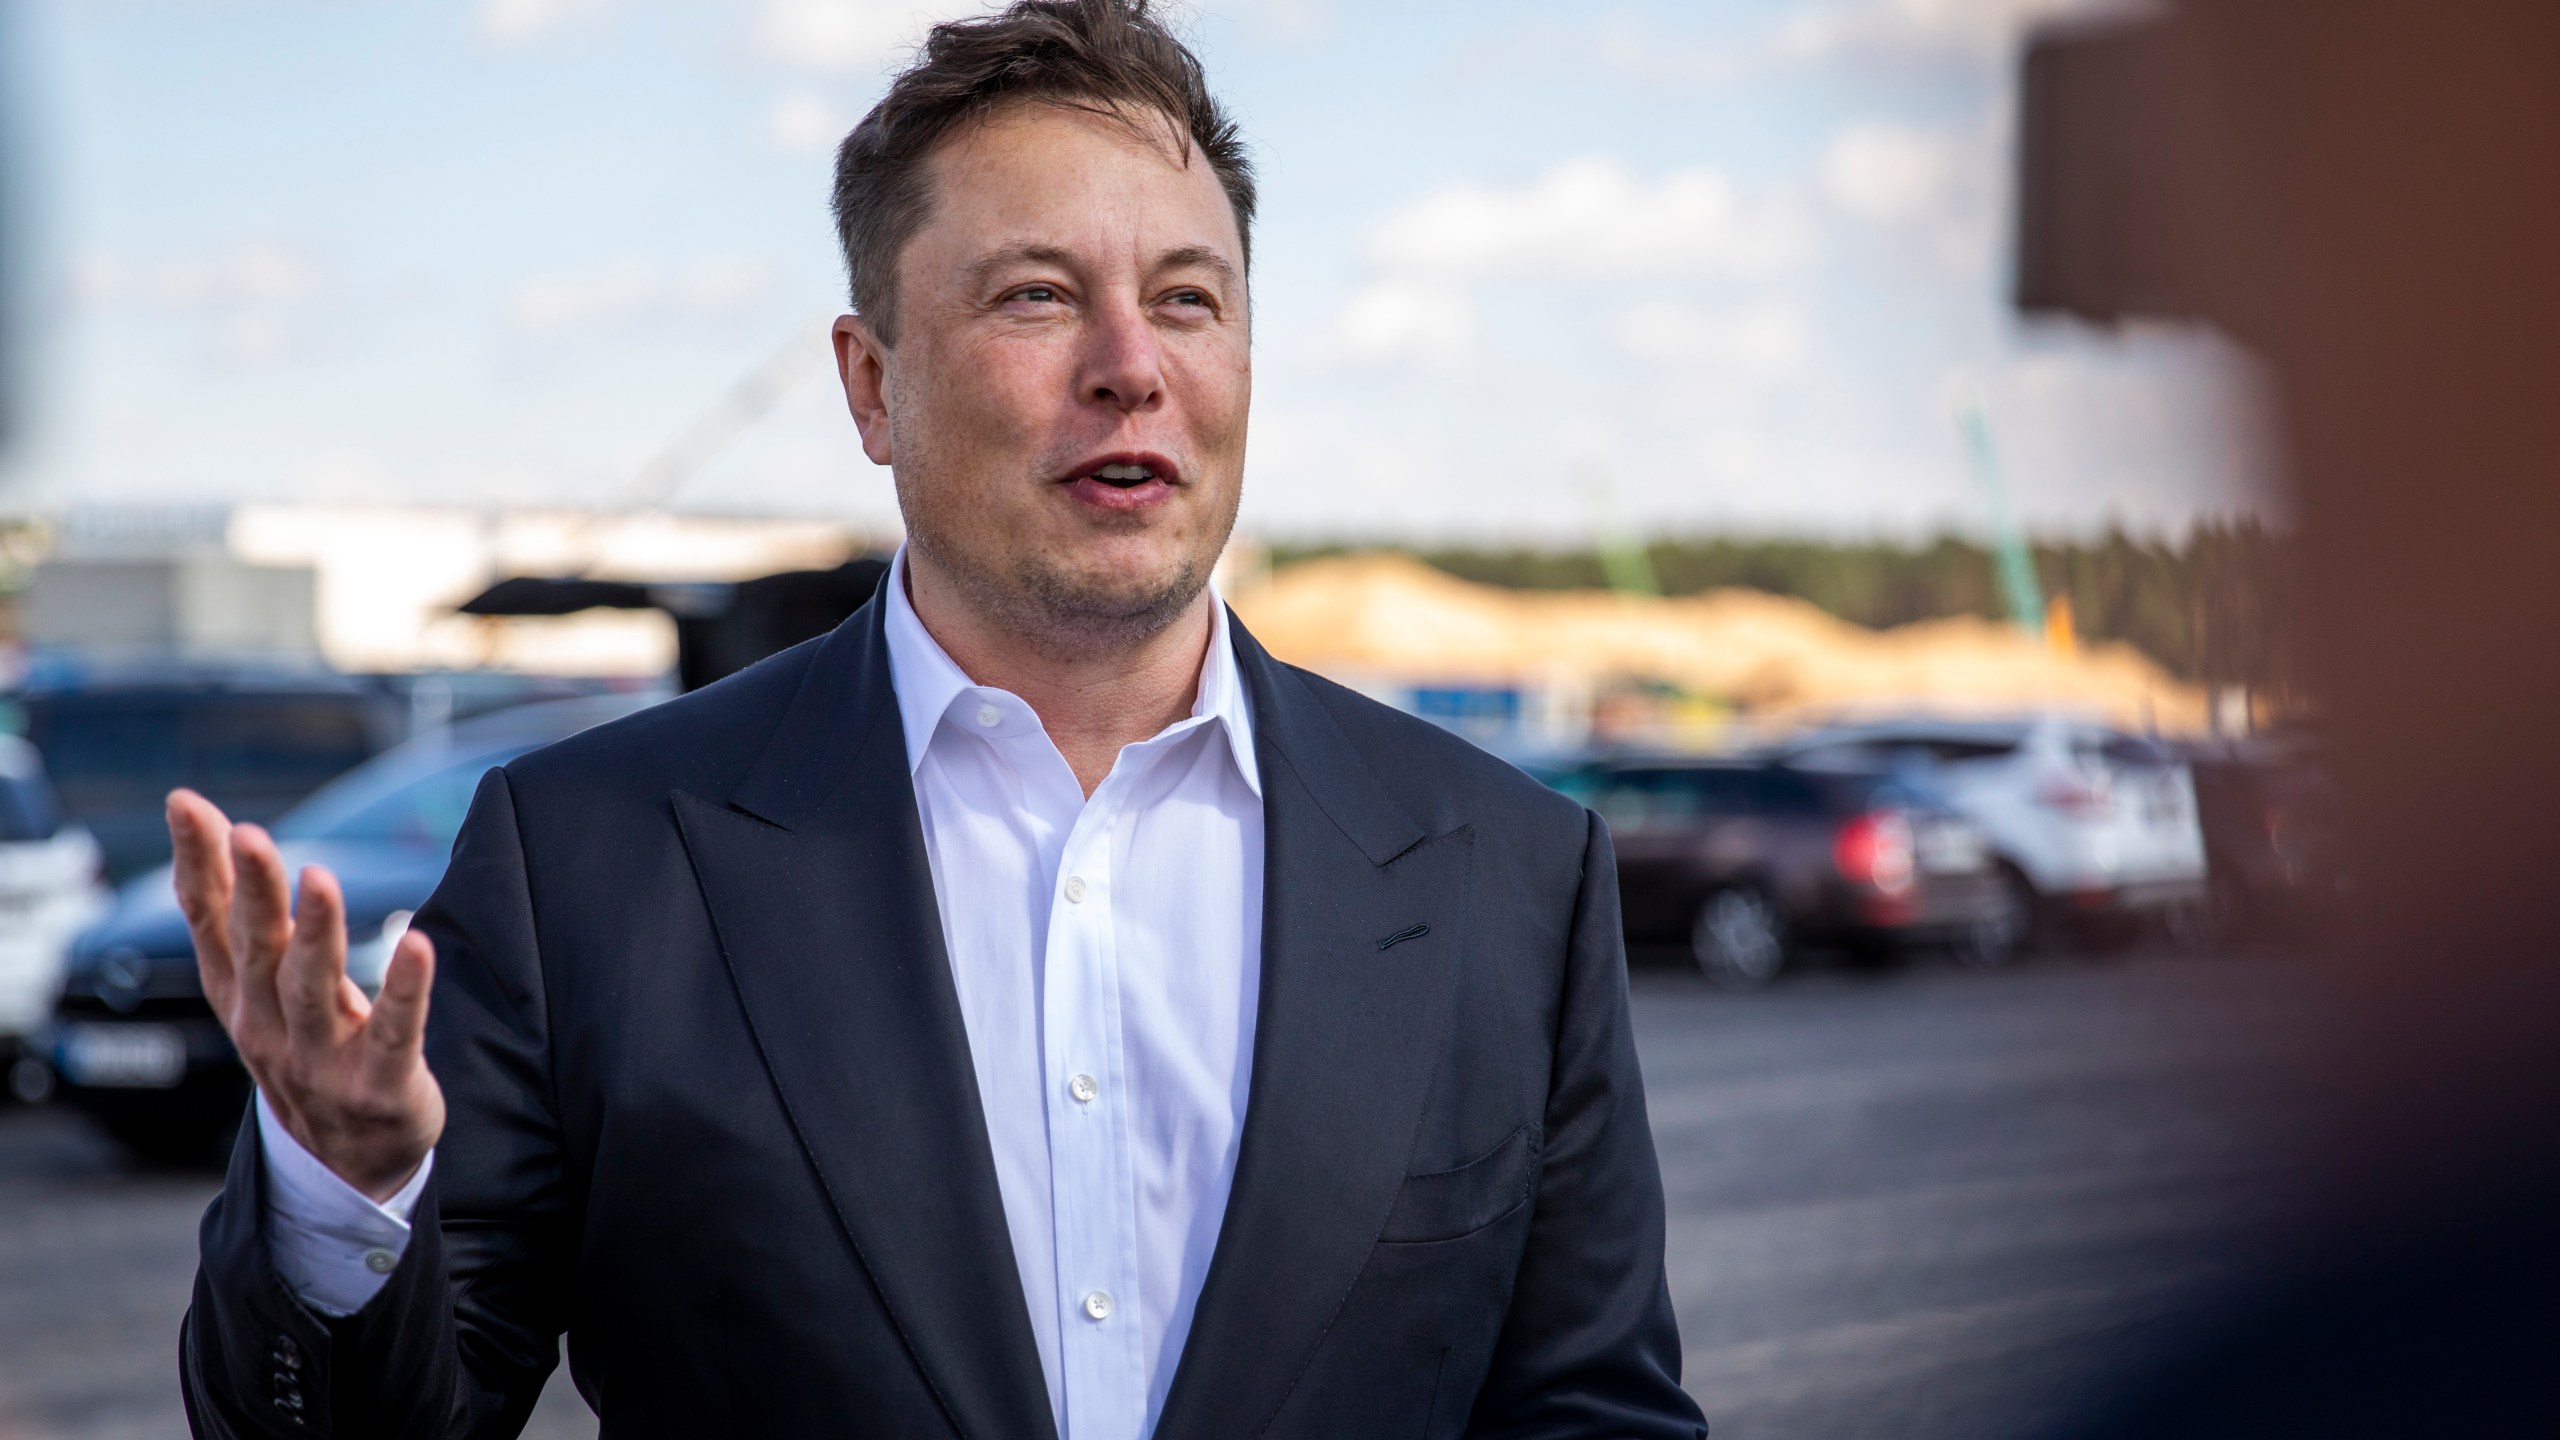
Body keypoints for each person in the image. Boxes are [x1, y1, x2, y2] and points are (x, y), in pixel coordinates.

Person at [171, 3, 1706, 1436]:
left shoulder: (1505, 871)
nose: (1131, 369)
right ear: (870, 386)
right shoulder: (591, 861)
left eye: (1188, 299)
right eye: (1038, 296)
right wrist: (340, 1197)